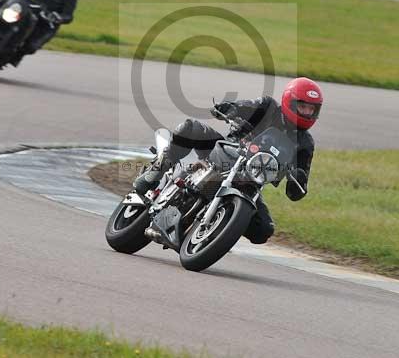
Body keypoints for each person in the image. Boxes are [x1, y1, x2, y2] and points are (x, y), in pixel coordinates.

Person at [133, 77, 323, 245]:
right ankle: (155, 172)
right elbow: (244, 106)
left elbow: (298, 189)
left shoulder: (306, 143)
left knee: (263, 230)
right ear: (290, 102)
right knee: (190, 128)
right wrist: (230, 108)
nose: (307, 112)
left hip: (251, 181)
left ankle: (220, 228)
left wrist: (298, 179)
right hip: (226, 152)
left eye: (311, 109)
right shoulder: (268, 107)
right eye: (303, 106)